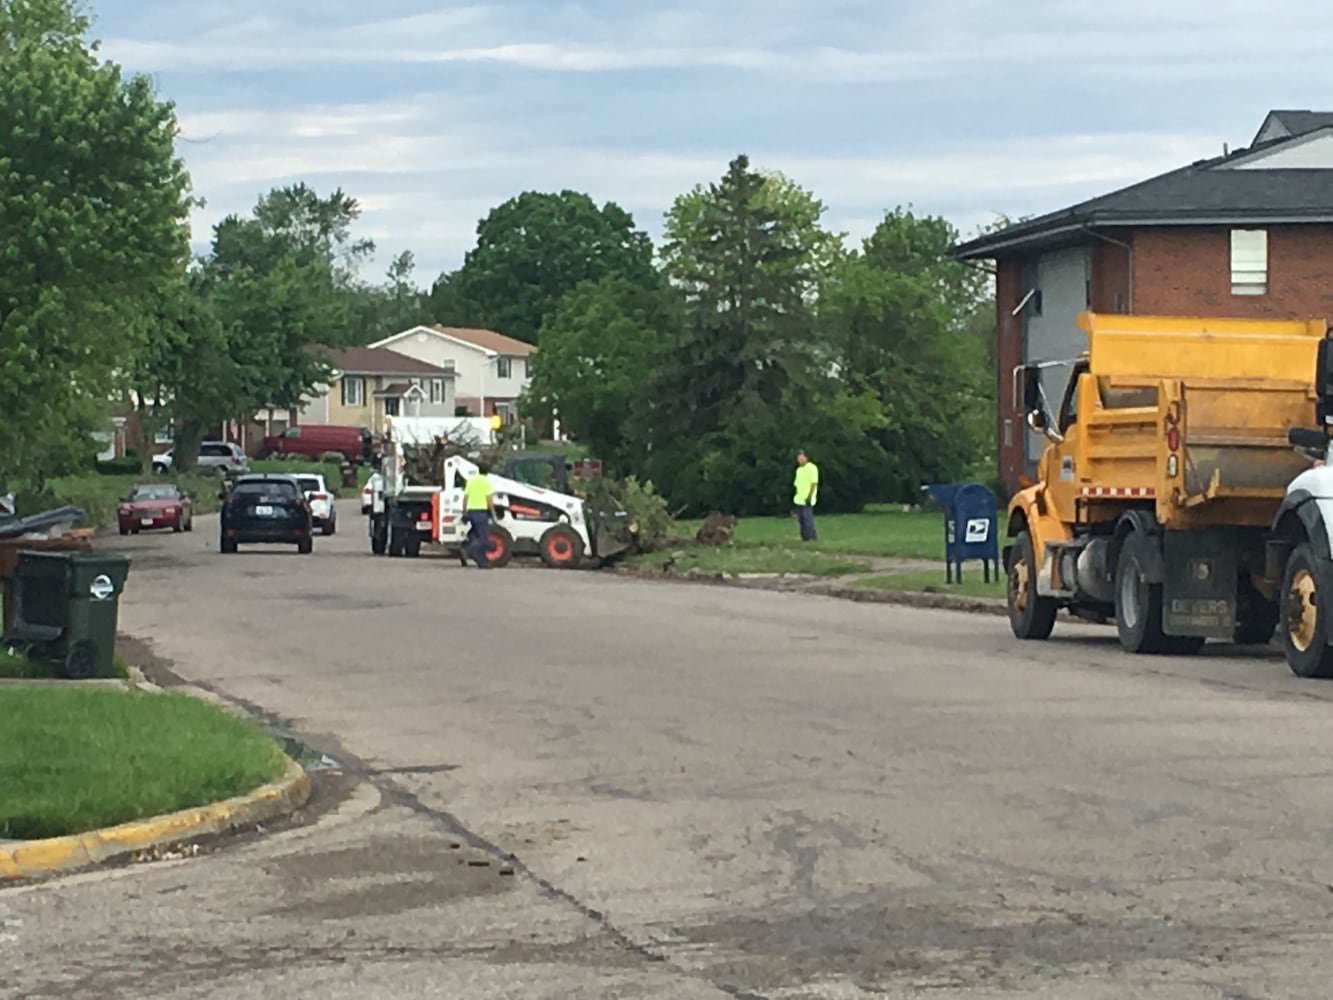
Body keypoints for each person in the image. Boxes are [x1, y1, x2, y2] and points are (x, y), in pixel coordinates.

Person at [460, 461, 496, 568]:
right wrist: (493, 513)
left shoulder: (471, 480)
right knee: (482, 538)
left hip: (471, 511)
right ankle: (466, 550)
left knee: (474, 535)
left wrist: (464, 511)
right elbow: (489, 499)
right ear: (487, 472)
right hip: (481, 511)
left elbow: (465, 497)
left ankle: (482, 561)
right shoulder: (486, 482)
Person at [792, 449, 819, 541]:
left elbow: (814, 483)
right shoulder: (799, 470)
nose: (800, 460)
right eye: (798, 458)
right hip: (799, 499)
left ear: (806, 458)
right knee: (801, 519)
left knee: (807, 518)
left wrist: (810, 496)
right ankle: (804, 537)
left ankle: (812, 536)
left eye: (801, 458)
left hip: (808, 498)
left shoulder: (812, 468)